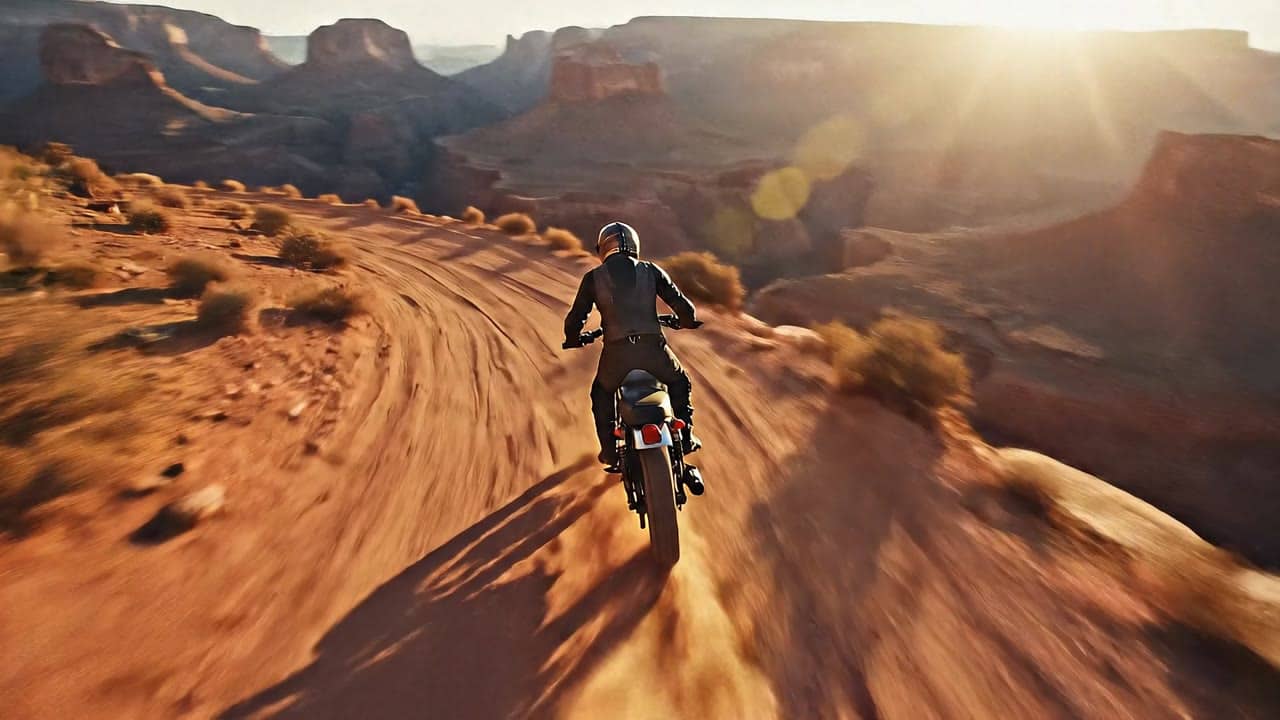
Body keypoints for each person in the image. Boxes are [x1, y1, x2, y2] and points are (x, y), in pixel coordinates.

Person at [563, 221, 701, 468]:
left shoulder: (593, 278)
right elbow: (683, 306)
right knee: (680, 381)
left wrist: (574, 338)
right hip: (653, 350)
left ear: (604, 248)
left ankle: (609, 452)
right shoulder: (651, 271)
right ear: (635, 245)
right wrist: (686, 322)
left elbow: (575, 319)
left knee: (601, 394)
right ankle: (687, 437)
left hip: (616, 355)